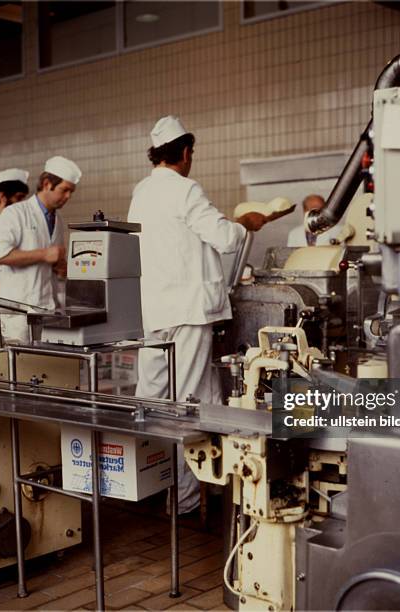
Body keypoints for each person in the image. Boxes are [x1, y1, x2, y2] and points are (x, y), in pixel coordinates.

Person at [128, 115, 266, 513]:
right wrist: (245, 224)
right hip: (187, 311)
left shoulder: (142, 192)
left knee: (168, 397)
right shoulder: (185, 189)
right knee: (187, 403)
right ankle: (184, 501)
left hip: (153, 311)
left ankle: (203, 486)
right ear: (185, 152)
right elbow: (223, 238)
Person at [0, 156, 81, 311]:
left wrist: (61, 268)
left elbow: (53, 260)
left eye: (71, 192)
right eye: (64, 190)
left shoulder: (57, 219)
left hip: (49, 306)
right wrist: (43, 255)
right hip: (19, 309)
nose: (68, 197)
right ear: (46, 184)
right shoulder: (15, 212)